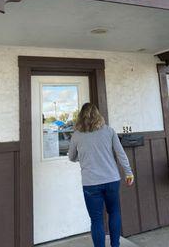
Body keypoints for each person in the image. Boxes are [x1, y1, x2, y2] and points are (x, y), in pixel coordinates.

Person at [68, 102, 134, 247]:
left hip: (90, 184)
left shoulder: (77, 136)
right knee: (114, 212)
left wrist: (84, 157)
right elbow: (121, 154)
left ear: (80, 117)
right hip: (112, 180)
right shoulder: (109, 131)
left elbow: (71, 157)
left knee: (96, 220)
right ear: (98, 115)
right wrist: (129, 173)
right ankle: (115, 245)